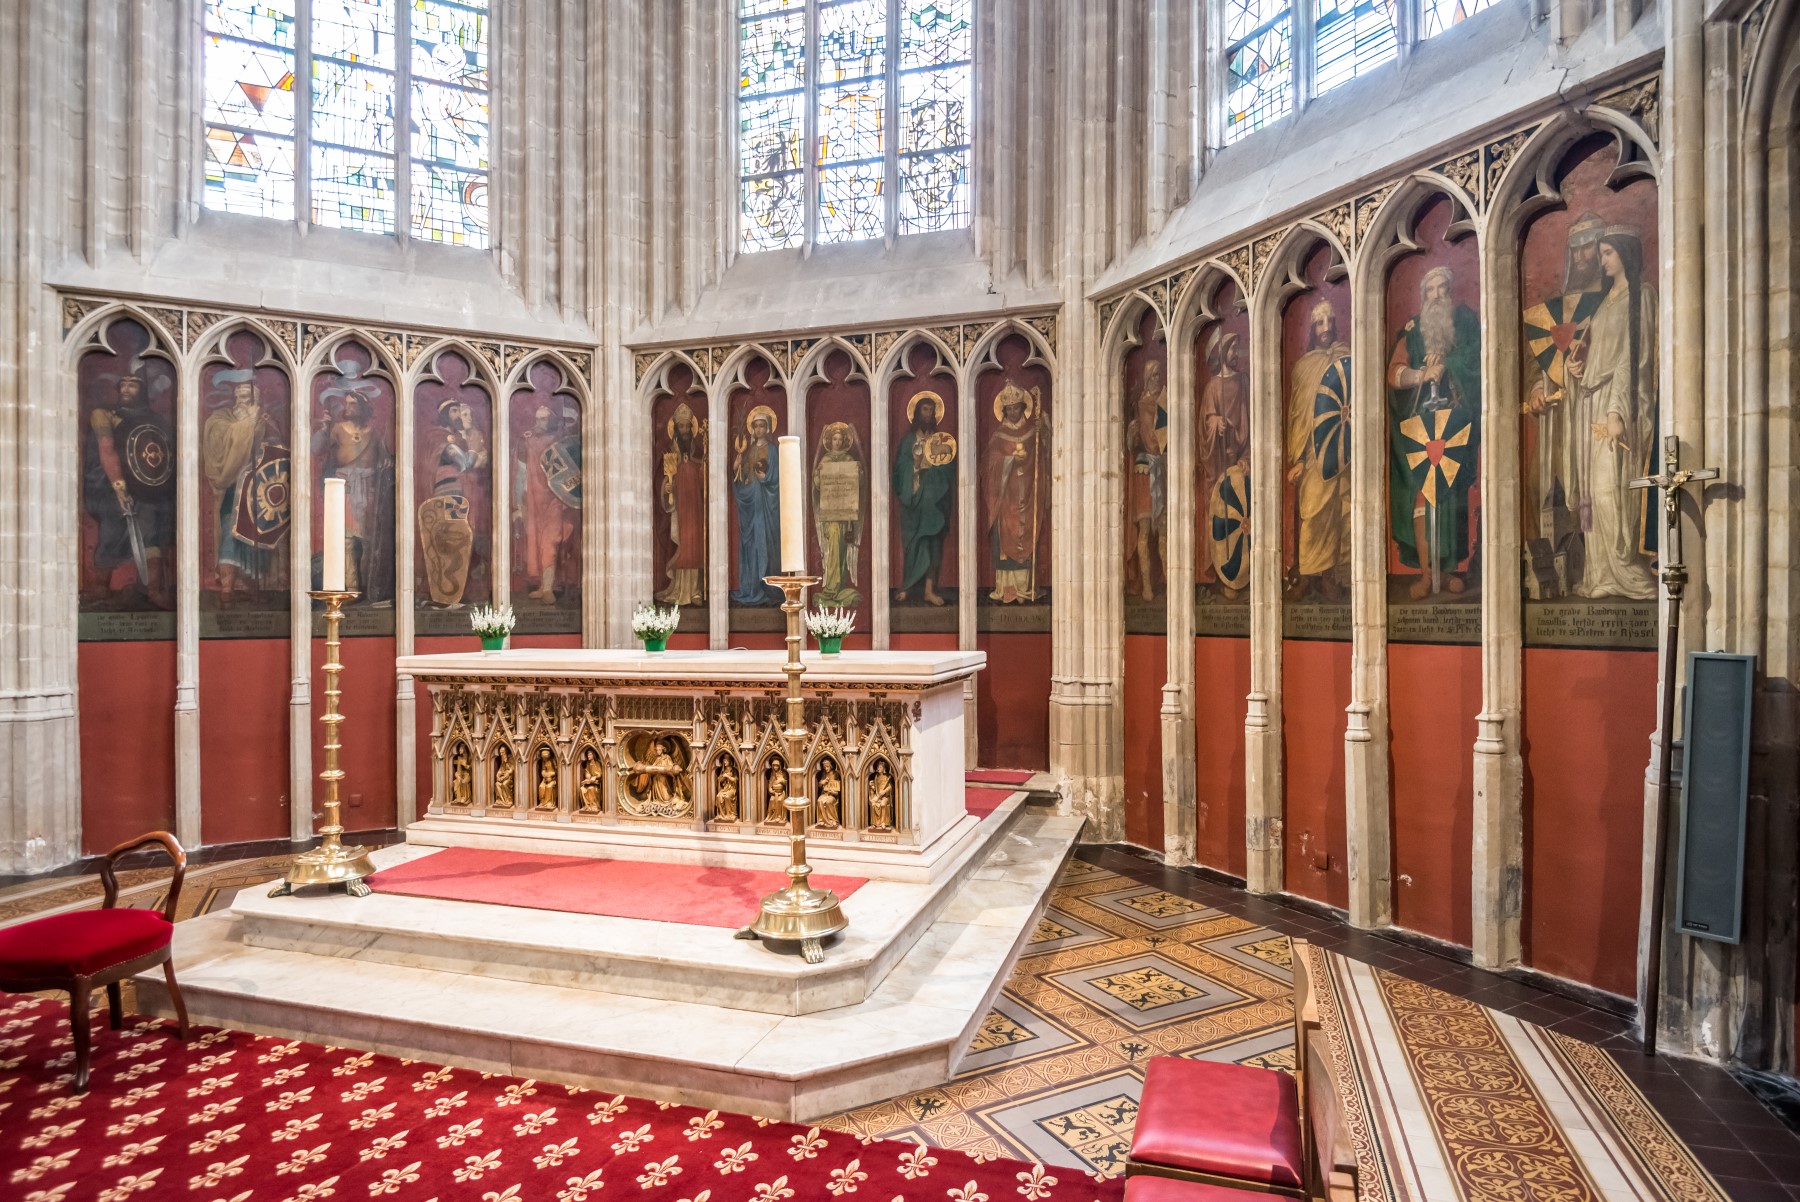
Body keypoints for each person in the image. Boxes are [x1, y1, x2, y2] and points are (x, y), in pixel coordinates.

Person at [1567, 228, 1658, 601]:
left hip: (1614, 401)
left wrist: (1619, 409)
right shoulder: (1604, 303)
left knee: (1611, 488)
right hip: (1591, 399)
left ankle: (1625, 570)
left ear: (1623, 253)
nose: (1602, 261)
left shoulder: (1643, 295)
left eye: (1607, 253)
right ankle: (1599, 574)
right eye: (1601, 254)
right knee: (1592, 490)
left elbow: (1636, 356)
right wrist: (1578, 372)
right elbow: (1598, 353)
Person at [1521, 212, 1608, 597]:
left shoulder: (1613, 300)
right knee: (1545, 482)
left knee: (1590, 482)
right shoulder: (1551, 310)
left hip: (1593, 408)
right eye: (1577, 247)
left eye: (1590, 245)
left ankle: (1594, 569)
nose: (1584, 254)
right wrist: (1535, 391)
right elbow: (1533, 362)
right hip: (1555, 416)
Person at [1387, 267, 1482, 600]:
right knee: (1422, 499)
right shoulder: (1413, 333)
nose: (1438, 295)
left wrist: (1448, 366)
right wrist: (1421, 373)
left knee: (1450, 497)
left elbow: (1476, 360)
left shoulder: (1465, 325)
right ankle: (1427, 574)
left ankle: (1448, 569)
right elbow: (1394, 374)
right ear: (1423, 297)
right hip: (1420, 430)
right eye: (1431, 290)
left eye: (1444, 289)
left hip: (1454, 425)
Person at [84, 367, 175, 608]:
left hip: (148, 490)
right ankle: (100, 588)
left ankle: (153, 590)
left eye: (132, 385)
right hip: (113, 487)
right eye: (122, 384)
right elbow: (106, 449)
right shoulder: (104, 415)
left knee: (152, 535)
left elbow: (162, 457)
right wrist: (119, 487)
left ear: (142, 390)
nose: (125, 389)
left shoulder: (156, 421)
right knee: (112, 535)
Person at [1286, 301, 1352, 601]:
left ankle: (1330, 577)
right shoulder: (1304, 367)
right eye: (1318, 323)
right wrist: (1298, 459)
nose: (1325, 328)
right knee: (1313, 513)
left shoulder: (1348, 357)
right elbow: (1299, 416)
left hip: (1345, 450)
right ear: (1312, 330)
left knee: (1342, 512)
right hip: (1314, 455)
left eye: (1329, 321)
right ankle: (1308, 574)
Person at [202, 370, 285, 603]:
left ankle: (251, 584)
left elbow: (279, 453)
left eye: (248, 398)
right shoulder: (222, 420)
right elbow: (221, 443)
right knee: (231, 530)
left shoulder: (263, 420)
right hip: (233, 487)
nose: (242, 402)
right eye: (239, 397)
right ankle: (227, 587)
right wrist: (248, 422)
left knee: (258, 536)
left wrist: (269, 429)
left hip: (261, 490)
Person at [315, 363, 395, 604]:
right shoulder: (338, 429)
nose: (348, 407)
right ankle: (351, 588)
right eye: (346, 403)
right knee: (348, 540)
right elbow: (317, 449)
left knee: (368, 540)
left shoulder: (374, 434)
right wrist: (323, 428)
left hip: (369, 487)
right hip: (345, 488)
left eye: (353, 403)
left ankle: (369, 587)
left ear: (362, 407)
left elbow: (386, 460)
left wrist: (388, 465)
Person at [981, 381, 1047, 604]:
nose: (1013, 412)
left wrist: (1044, 432)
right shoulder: (999, 436)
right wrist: (1008, 461)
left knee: (1026, 535)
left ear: (1022, 408)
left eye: (1016, 408)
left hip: (1028, 494)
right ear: (1004, 410)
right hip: (1006, 498)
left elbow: (1042, 459)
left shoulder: (1032, 431)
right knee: (1006, 539)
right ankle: (1007, 589)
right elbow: (989, 464)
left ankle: (1024, 588)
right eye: (1008, 409)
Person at [419, 398, 486, 607]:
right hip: (449, 491)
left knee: (463, 538)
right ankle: (444, 591)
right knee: (449, 537)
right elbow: (465, 463)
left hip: (462, 492)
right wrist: (475, 450)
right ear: (445, 413)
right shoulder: (439, 435)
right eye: (455, 411)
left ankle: (459, 591)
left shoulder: (457, 437)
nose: (459, 415)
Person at [1198, 330, 1250, 598]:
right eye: (1231, 348)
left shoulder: (1243, 382)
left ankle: (1240, 576)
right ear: (1222, 352)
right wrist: (1214, 423)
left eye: (1237, 348)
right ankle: (1221, 577)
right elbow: (1204, 426)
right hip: (1218, 466)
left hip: (1238, 463)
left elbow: (1250, 424)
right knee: (1220, 517)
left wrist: (1246, 456)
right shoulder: (1212, 387)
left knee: (1243, 518)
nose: (1235, 353)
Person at [893, 392, 955, 605]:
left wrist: (935, 467)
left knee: (932, 544)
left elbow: (949, 470)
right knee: (913, 545)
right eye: (925, 410)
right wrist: (916, 466)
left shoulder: (940, 441)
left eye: (932, 410)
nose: (929, 414)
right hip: (914, 502)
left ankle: (929, 589)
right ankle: (908, 587)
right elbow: (899, 471)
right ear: (917, 414)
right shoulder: (908, 441)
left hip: (934, 504)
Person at [514, 404, 576, 604]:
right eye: (537, 418)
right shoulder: (530, 441)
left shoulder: (557, 442)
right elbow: (521, 470)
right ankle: (543, 585)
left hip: (554, 501)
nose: (537, 422)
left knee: (549, 542)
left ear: (550, 422)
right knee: (537, 544)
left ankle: (549, 587)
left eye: (542, 419)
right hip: (534, 501)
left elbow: (571, 471)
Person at [1124, 360, 1168, 601]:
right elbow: (1151, 440)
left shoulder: (1165, 402)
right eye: (1154, 375)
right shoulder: (1144, 404)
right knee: (1144, 530)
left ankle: (1169, 583)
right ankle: (1147, 586)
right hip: (1145, 472)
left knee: (1163, 531)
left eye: (1159, 375)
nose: (1157, 379)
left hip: (1161, 470)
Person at [730, 406, 782, 605]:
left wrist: (766, 478)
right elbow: (740, 478)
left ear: (767, 428)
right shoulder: (748, 450)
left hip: (767, 505)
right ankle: (751, 586)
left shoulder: (772, 450)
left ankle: (767, 588)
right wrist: (736, 468)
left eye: (762, 426)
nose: (759, 429)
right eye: (756, 426)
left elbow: (777, 478)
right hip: (750, 505)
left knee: (767, 543)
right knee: (750, 545)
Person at [657, 402, 706, 606]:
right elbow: (666, 484)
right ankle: (678, 589)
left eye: (687, 427)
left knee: (695, 547)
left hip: (695, 509)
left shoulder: (699, 457)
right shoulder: (671, 459)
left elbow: (707, 485)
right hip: (680, 510)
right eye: (681, 427)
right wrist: (666, 489)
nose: (685, 431)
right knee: (682, 544)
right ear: (676, 430)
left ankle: (695, 590)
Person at [813, 422, 865, 607]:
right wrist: (819, 475)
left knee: (842, 550)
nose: (837, 442)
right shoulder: (825, 461)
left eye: (840, 439)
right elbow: (818, 486)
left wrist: (858, 473)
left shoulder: (849, 461)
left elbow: (857, 485)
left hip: (846, 517)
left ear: (844, 442)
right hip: (831, 517)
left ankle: (840, 584)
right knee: (833, 548)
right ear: (829, 441)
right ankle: (831, 587)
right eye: (834, 439)